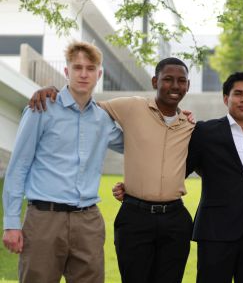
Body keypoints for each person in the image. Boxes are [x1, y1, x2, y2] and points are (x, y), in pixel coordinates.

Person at [28, 57, 194, 283]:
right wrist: (55, 92)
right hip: (135, 218)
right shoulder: (131, 106)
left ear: (188, 86)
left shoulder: (190, 125)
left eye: (181, 81)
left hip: (176, 220)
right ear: (155, 81)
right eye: (168, 80)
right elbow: (85, 106)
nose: (175, 86)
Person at [2, 41, 124, 283]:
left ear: (98, 74)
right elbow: (18, 167)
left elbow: (139, 144)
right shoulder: (41, 108)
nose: (83, 74)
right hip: (44, 220)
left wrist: (174, 118)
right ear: (66, 72)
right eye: (77, 67)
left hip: (88, 222)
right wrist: (11, 223)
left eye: (90, 68)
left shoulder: (103, 119)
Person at [186, 72, 243, 283]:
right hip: (214, 234)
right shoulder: (204, 132)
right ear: (226, 98)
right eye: (238, 94)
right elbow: (179, 170)